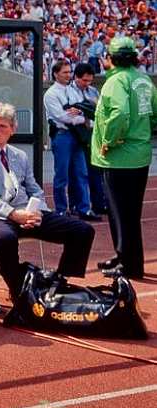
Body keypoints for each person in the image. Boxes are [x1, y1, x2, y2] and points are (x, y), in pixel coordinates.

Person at [0, 103, 95, 298]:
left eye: (2, 126)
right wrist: (15, 215)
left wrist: (36, 212)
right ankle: (18, 288)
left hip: (26, 212)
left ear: (13, 130)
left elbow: (35, 189)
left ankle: (59, 281)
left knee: (83, 230)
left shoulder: (19, 155)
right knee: (5, 238)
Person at [92, 37, 157, 279]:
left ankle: (128, 264)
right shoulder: (143, 79)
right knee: (131, 213)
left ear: (110, 58)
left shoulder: (116, 81)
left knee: (120, 212)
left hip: (119, 158)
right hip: (139, 154)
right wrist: (143, 131)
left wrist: (109, 140)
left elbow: (119, 113)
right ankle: (127, 257)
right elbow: (154, 114)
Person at [44, 59, 100, 221]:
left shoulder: (72, 91)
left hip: (76, 135)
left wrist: (78, 113)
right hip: (62, 135)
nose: (69, 75)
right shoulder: (51, 94)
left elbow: (84, 109)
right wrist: (80, 117)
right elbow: (62, 117)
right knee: (62, 174)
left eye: (69, 72)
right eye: (65, 72)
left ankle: (84, 208)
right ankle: (61, 209)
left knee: (82, 173)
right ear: (56, 74)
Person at [68, 63, 106, 215]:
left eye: (90, 80)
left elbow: (99, 112)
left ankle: (99, 203)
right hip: (76, 135)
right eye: (84, 80)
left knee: (96, 171)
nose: (87, 84)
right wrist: (85, 116)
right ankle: (76, 205)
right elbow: (72, 114)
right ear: (76, 77)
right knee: (76, 173)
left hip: (92, 135)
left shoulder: (93, 91)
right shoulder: (68, 92)